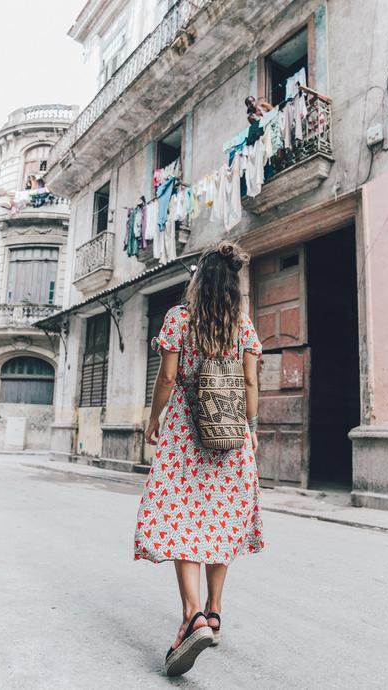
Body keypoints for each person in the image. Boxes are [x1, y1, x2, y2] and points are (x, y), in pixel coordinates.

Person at [134, 240, 264, 677]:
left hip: (186, 432)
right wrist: (245, 429)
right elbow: (249, 386)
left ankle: (192, 616)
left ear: (198, 281)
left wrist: (154, 419)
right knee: (222, 521)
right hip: (231, 438)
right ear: (233, 285)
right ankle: (214, 611)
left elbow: (168, 376)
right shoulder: (243, 325)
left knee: (180, 517)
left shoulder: (179, 318)